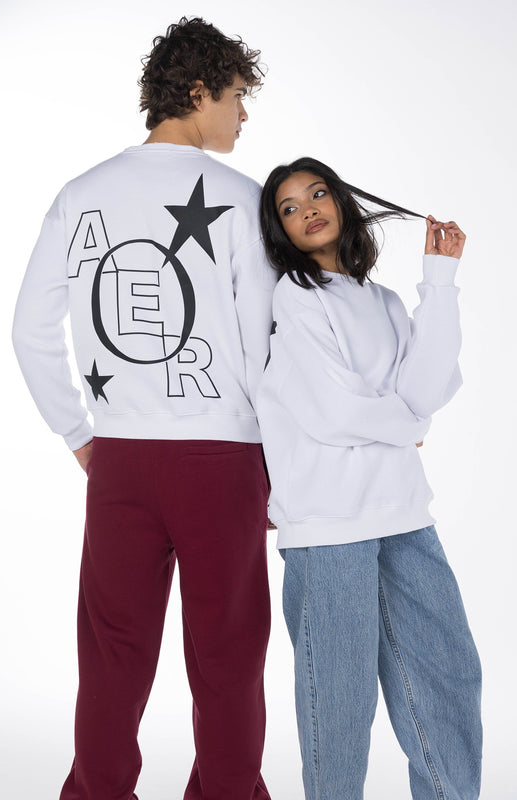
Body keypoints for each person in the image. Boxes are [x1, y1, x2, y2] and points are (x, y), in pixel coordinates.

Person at [12, 17, 276, 800]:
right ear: (197, 91)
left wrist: (78, 434)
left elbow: (29, 330)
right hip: (224, 460)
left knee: (112, 654)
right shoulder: (242, 199)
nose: (243, 114)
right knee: (228, 655)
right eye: (236, 96)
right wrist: (282, 461)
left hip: (121, 459)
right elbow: (267, 348)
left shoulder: (80, 194)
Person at [256, 157, 482, 800]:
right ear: (280, 230)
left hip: (405, 512)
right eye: (290, 208)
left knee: (449, 676)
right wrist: (408, 423)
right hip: (327, 524)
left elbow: (428, 387)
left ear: (341, 201)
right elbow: (334, 412)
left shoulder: (382, 300)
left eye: (317, 194)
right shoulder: (295, 297)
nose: (308, 210)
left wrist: (439, 279)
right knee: (339, 704)